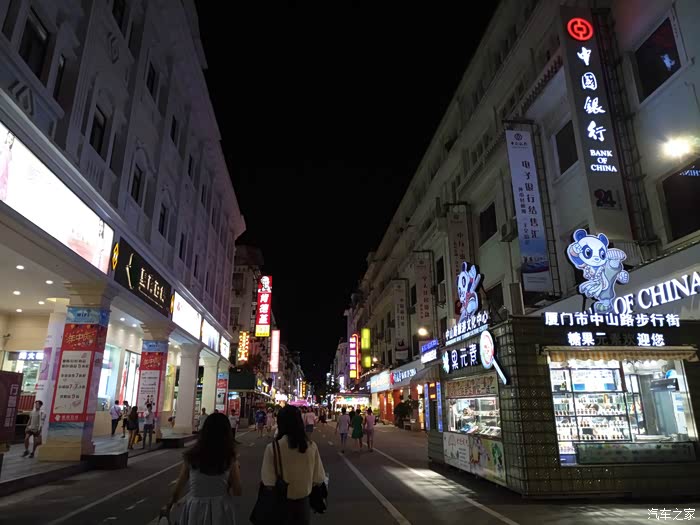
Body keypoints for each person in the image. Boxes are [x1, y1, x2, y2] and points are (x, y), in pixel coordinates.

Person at [167, 413, 241, 524]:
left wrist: (170, 505)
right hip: (220, 509)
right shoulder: (229, 458)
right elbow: (237, 490)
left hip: (195, 508)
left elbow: (177, 490)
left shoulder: (191, 457)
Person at [261, 406, 326, 525]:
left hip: (280, 504)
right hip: (303, 505)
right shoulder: (311, 446)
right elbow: (318, 478)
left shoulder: (273, 448)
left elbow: (268, 482)